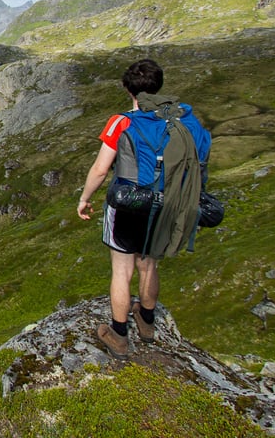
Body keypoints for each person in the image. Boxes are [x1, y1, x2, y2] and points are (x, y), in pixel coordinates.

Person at [77, 58, 174, 359]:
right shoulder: (173, 121)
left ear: (126, 88)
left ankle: (119, 334)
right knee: (149, 264)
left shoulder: (121, 122)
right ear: (158, 87)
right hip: (162, 204)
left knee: (122, 269)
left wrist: (84, 198)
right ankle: (146, 322)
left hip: (128, 203)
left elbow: (100, 169)